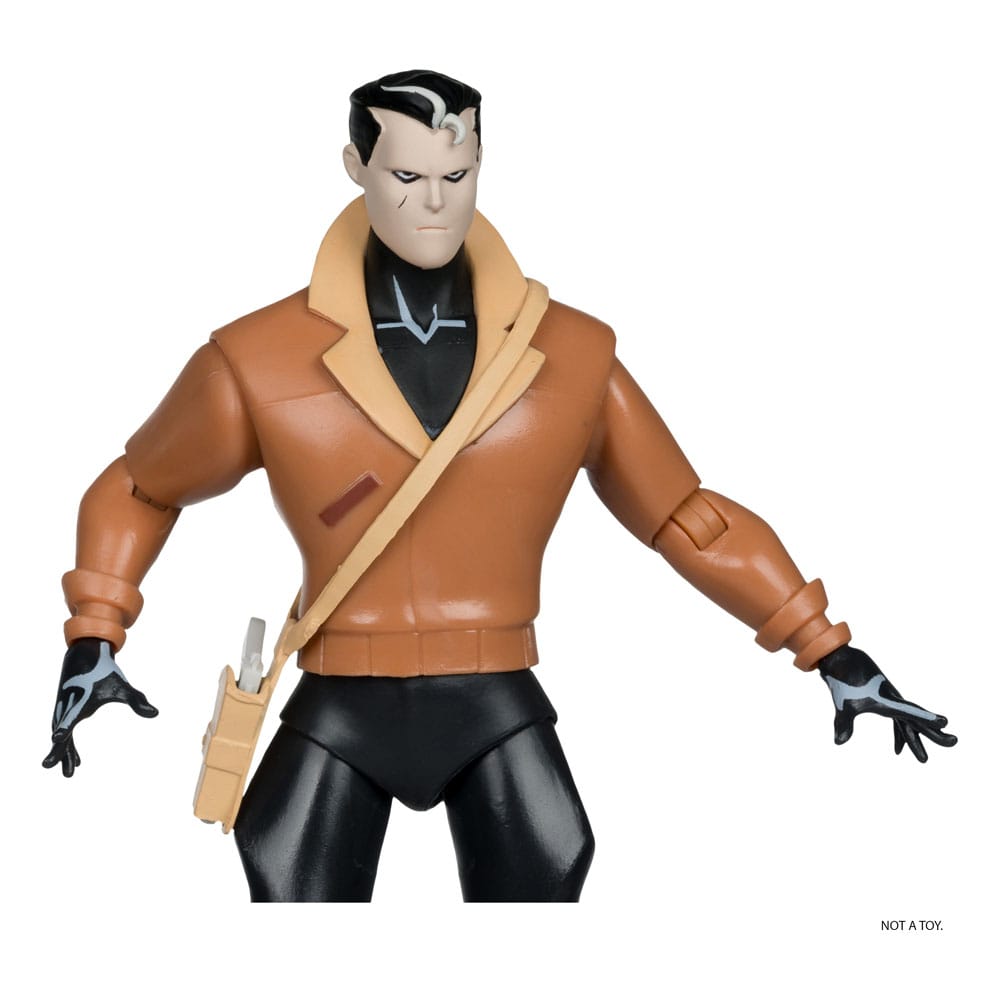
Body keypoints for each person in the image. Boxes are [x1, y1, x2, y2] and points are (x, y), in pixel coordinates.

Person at [43, 69, 956, 902]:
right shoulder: (258, 356)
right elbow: (141, 484)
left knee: (547, 878)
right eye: (407, 177)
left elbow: (687, 518)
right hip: (342, 696)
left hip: (494, 696)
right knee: (289, 886)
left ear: (481, 165)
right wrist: (94, 632)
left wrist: (828, 649)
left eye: (457, 174)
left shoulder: (572, 353)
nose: (435, 203)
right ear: (356, 168)